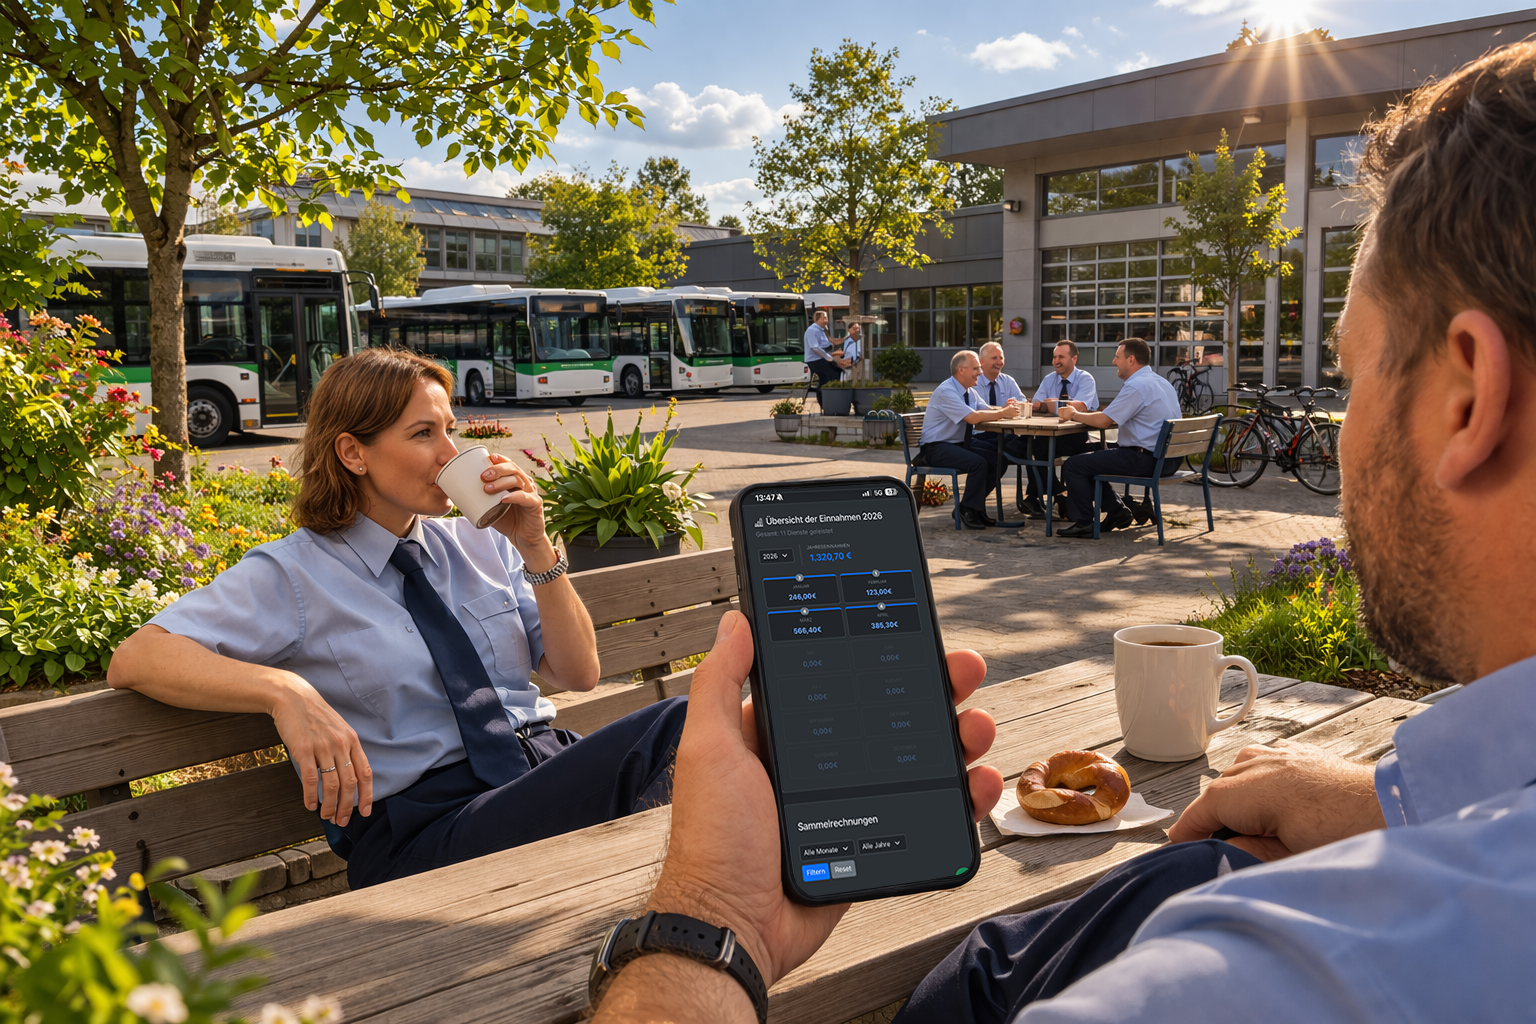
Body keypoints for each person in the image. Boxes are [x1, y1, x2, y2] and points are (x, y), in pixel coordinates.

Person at [584, 40, 1536, 1023]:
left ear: (1467, 396)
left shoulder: (1253, 983)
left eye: (1349, 374)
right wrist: (1394, 806)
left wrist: (709, 920)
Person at [106, 347, 688, 890]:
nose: (450, 454)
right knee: (684, 722)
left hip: (539, 772)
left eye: (451, 432)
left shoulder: (482, 543)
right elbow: (138, 657)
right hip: (427, 829)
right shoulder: (293, 574)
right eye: (423, 434)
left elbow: (578, 672)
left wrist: (537, 548)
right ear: (353, 452)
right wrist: (284, 691)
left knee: (716, 726)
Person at [1053, 338, 1179, 538]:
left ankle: (1084, 522)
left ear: (1131, 360)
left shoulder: (1136, 386)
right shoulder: (1161, 382)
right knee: (1086, 453)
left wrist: (1073, 415)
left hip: (1147, 459)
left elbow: (1104, 421)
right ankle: (1117, 512)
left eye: (1116, 357)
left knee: (1074, 465)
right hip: (1169, 459)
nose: (1113, 362)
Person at [918, 349, 1022, 529]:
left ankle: (971, 507)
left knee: (999, 460)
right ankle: (968, 510)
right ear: (961, 370)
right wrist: (1003, 413)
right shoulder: (947, 391)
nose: (980, 373)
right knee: (978, 463)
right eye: (976, 369)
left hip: (958, 443)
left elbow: (986, 409)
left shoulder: (969, 391)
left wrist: (1005, 408)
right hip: (937, 447)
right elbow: (972, 418)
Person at [1019, 341, 1100, 520]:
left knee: (1034, 447)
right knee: (1030, 445)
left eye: (1061, 357)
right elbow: (1037, 405)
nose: (1056, 361)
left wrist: (1052, 404)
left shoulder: (1085, 378)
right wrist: (1046, 405)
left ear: (1074, 358)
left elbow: (1080, 407)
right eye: (1054, 357)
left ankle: (1035, 497)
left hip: (1076, 437)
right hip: (1053, 436)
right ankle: (1059, 493)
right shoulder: (1049, 379)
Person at [970, 341, 1030, 507]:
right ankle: (971, 505)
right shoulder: (973, 383)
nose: (999, 361)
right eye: (994, 357)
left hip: (1003, 434)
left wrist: (1015, 406)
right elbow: (976, 413)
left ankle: (1034, 497)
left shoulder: (1008, 381)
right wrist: (1002, 411)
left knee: (1032, 445)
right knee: (1019, 450)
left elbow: (1022, 402)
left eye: (1001, 357)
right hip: (980, 435)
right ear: (981, 362)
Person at [803, 310, 844, 397]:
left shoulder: (822, 330)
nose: (827, 320)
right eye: (825, 317)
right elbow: (814, 347)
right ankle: (829, 398)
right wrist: (827, 357)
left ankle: (825, 400)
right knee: (833, 375)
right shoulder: (812, 330)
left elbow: (825, 345)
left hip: (821, 358)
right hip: (816, 360)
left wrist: (833, 353)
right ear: (820, 318)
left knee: (825, 380)